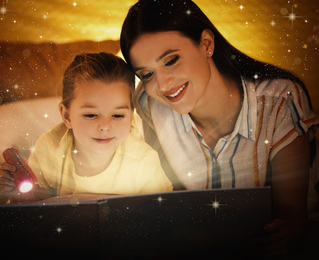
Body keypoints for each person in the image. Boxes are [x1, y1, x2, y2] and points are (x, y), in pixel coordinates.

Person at [120, 0, 319, 257]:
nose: (163, 83)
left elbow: (292, 218)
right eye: (147, 74)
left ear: (206, 44)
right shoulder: (148, 105)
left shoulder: (279, 100)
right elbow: (164, 200)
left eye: (171, 61)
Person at [0, 52, 173, 201]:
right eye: (91, 115)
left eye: (118, 115)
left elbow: (163, 216)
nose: (105, 126)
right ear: (66, 115)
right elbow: (32, 207)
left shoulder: (143, 162)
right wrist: (15, 191)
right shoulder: (48, 148)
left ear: (131, 115)